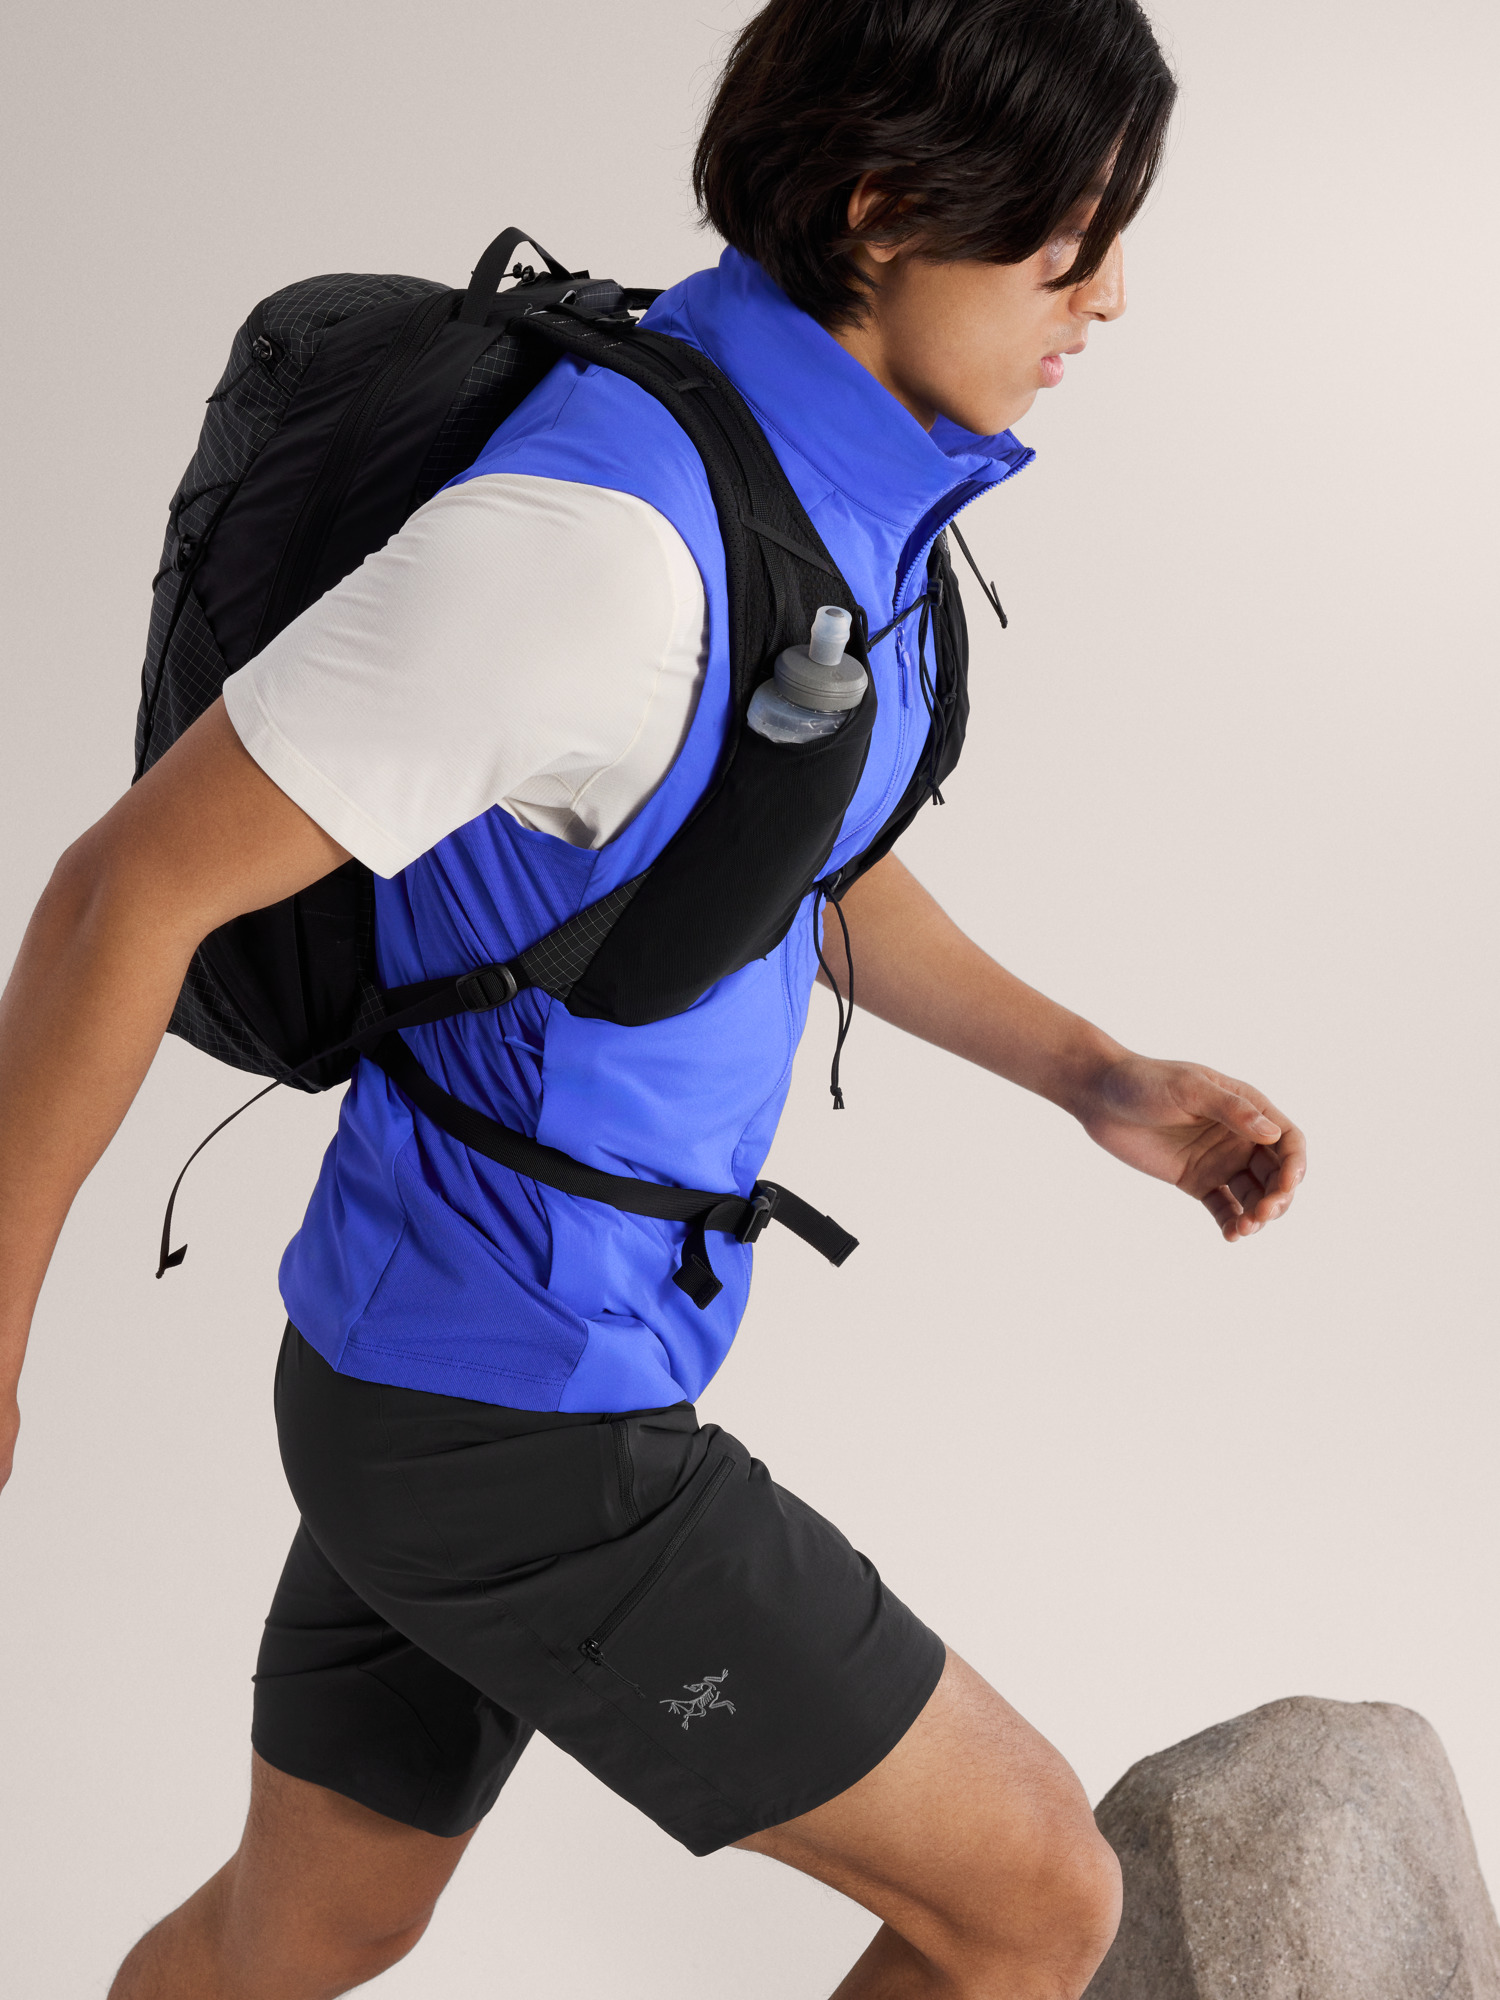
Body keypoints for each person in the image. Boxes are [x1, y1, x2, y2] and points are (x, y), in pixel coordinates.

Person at [0, 0, 1306, 1993]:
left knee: (316, 1923)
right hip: (518, 1431)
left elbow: (769, 837)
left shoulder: (800, 475)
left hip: (420, 1374)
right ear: (883, 207)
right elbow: (127, 888)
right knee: (1033, 1896)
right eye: (1072, 244)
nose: (1110, 297)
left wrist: (1096, 1075)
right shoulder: (594, 551)